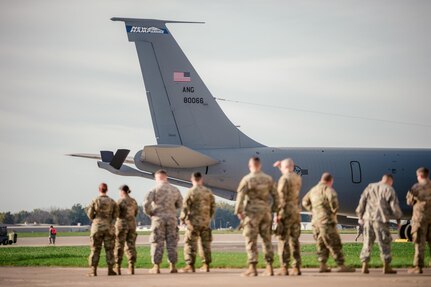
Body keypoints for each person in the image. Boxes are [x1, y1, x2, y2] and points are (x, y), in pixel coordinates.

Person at [302, 172, 355, 273]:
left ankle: (323, 265)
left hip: (316, 222)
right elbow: (334, 203)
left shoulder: (313, 190)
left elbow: (304, 201)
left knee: (321, 244)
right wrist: (332, 213)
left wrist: (313, 211)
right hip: (326, 222)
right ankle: (341, 265)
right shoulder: (329, 190)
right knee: (334, 243)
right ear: (330, 181)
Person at [235, 157, 278, 276]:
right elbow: (276, 196)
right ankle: (269, 267)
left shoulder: (247, 179)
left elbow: (240, 196)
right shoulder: (268, 179)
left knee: (251, 239)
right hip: (265, 213)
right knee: (267, 240)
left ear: (250, 166)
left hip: (252, 213)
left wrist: (239, 211)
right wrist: (273, 210)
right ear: (260, 165)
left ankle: (252, 268)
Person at [356, 174, 402, 274]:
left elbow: (362, 201)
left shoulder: (370, 187)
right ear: (390, 181)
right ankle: (386, 266)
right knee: (384, 243)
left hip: (368, 219)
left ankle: (365, 265)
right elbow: (394, 206)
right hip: (381, 220)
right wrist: (398, 220)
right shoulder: (389, 189)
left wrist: (360, 216)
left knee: (367, 242)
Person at [143, 169, 183, 274]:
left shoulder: (154, 190)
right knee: (172, 242)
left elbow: (146, 204)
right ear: (166, 177)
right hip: (171, 219)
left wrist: (151, 213)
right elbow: (180, 204)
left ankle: (156, 267)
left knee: (157, 242)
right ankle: (172, 266)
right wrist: (171, 210)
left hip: (158, 219)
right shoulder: (175, 190)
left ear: (157, 177)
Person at [180, 172, 216, 273]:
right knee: (205, 244)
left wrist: (183, 218)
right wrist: (209, 217)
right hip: (205, 222)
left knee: (190, 243)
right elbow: (213, 206)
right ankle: (206, 265)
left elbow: (186, 206)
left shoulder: (191, 192)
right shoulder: (208, 192)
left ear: (192, 179)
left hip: (193, 222)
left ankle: (190, 265)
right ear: (201, 179)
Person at [273, 158, 302, 276]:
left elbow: (281, 197)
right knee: (294, 240)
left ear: (285, 167)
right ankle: (296, 267)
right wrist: (281, 167)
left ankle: (284, 267)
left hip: (285, 212)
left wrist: (278, 214)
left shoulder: (283, 179)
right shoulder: (297, 178)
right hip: (295, 212)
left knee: (283, 240)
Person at [86, 183, 119, 276]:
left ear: (99, 189)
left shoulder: (95, 200)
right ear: (107, 190)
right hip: (109, 228)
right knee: (110, 249)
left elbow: (90, 214)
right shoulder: (112, 201)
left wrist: (96, 220)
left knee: (95, 249)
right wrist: (110, 222)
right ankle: (110, 270)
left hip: (97, 227)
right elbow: (116, 215)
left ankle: (93, 270)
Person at [406, 167, 431, 274]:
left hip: (420, 219)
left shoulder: (416, 187)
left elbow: (409, 201)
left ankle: (418, 266)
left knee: (420, 243)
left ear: (419, 175)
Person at [114, 185, 138, 275]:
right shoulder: (133, 201)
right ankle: (131, 266)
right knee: (131, 245)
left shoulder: (120, 201)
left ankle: (117, 267)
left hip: (121, 225)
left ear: (122, 191)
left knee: (119, 245)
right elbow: (135, 213)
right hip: (132, 224)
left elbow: (116, 214)